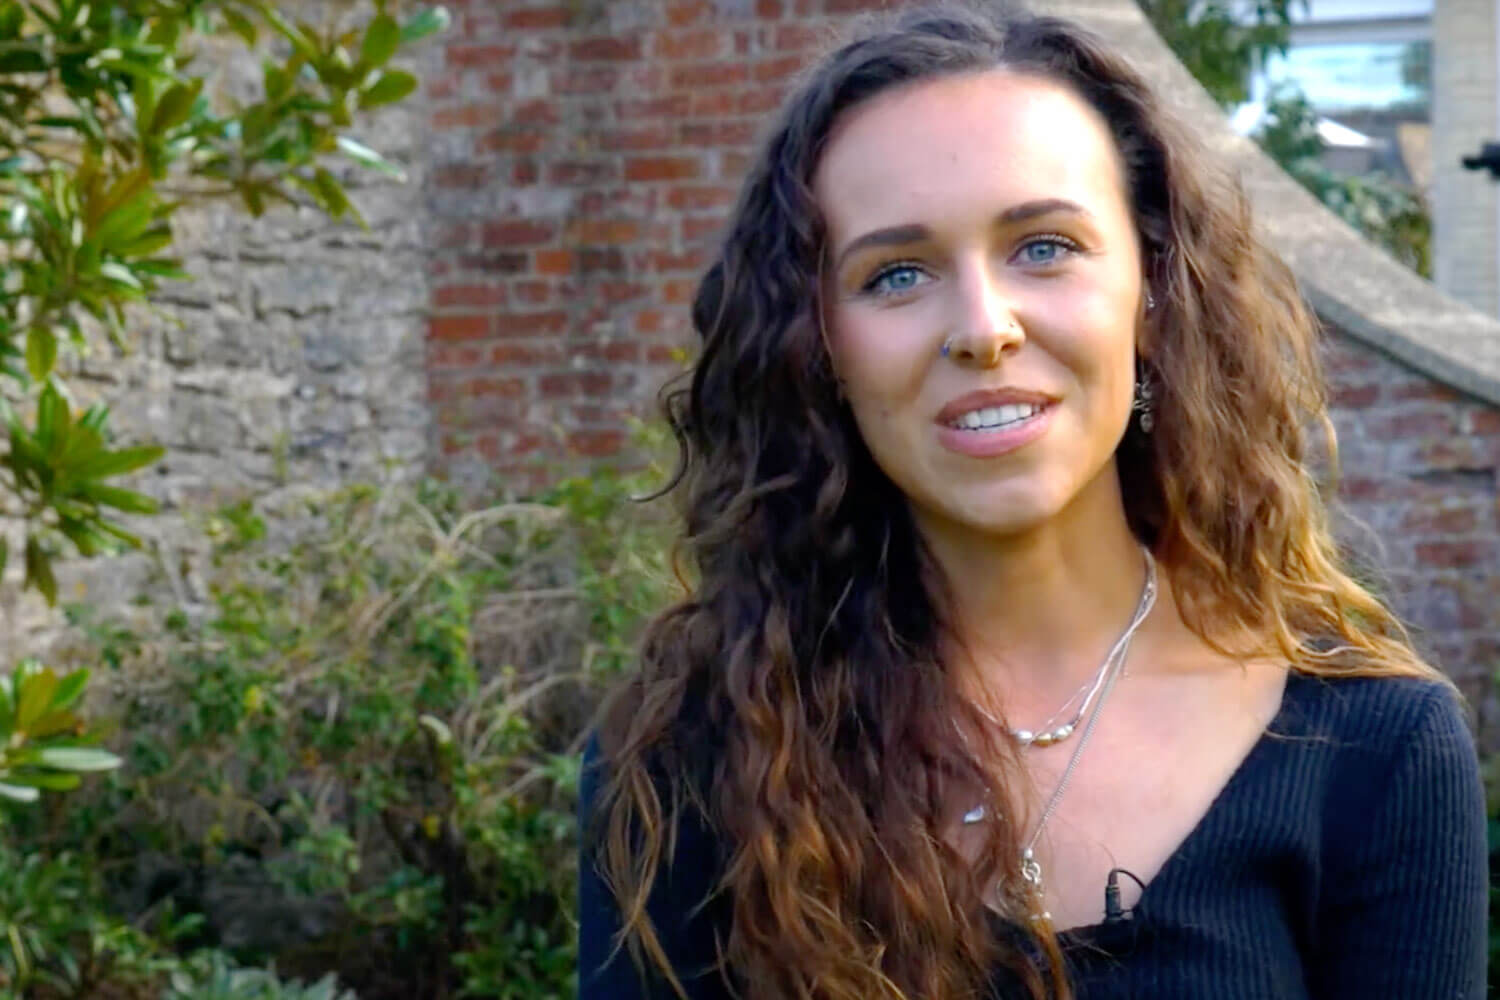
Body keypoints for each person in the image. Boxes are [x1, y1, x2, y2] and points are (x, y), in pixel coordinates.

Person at [576, 3, 1489, 998]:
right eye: (898, 273)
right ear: (818, 346)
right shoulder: (694, 760)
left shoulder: (1375, 749)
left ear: (1153, 286)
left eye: (1043, 247)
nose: (982, 327)